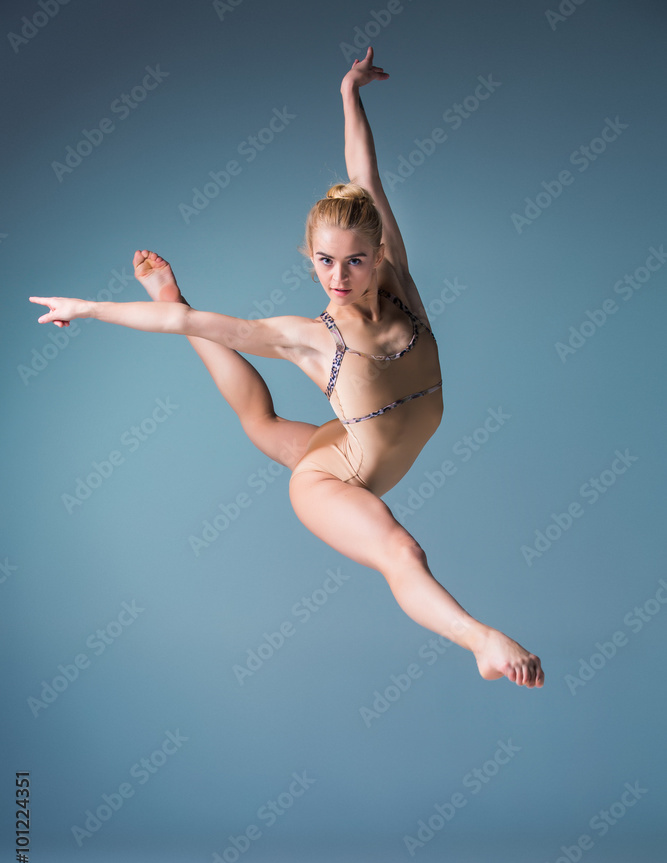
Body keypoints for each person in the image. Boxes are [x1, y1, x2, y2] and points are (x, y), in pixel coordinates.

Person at [30, 47, 543, 688]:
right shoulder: (310, 338)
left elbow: (366, 175)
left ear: (377, 253)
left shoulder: (400, 282)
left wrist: (348, 94)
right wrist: (90, 307)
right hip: (338, 480)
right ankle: (481, 642)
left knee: (268, 428)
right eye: (324, 261)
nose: (338, 276)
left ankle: (173, 294)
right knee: (397, 548)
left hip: (350, 443)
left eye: (354, 261)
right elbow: (186, 328)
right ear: (311, 256)